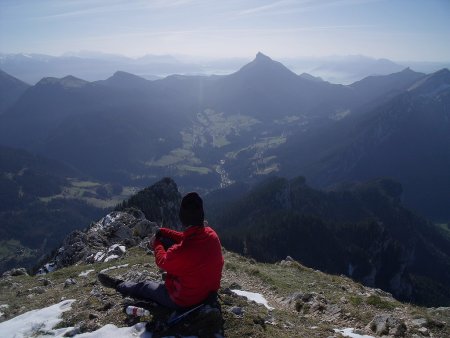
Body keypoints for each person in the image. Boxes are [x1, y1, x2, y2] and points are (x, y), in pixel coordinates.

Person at [98, 192, 224, 310]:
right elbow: (185, 237)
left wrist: (156, 243)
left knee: (145, 286)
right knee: (168, 241)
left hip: (184, 300)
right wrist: (163, 231)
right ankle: (176, 271)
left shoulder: (182, 250)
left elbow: (161, 261)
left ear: (183, 217)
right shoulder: (211, 234)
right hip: (208, 292)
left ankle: (118, 285)